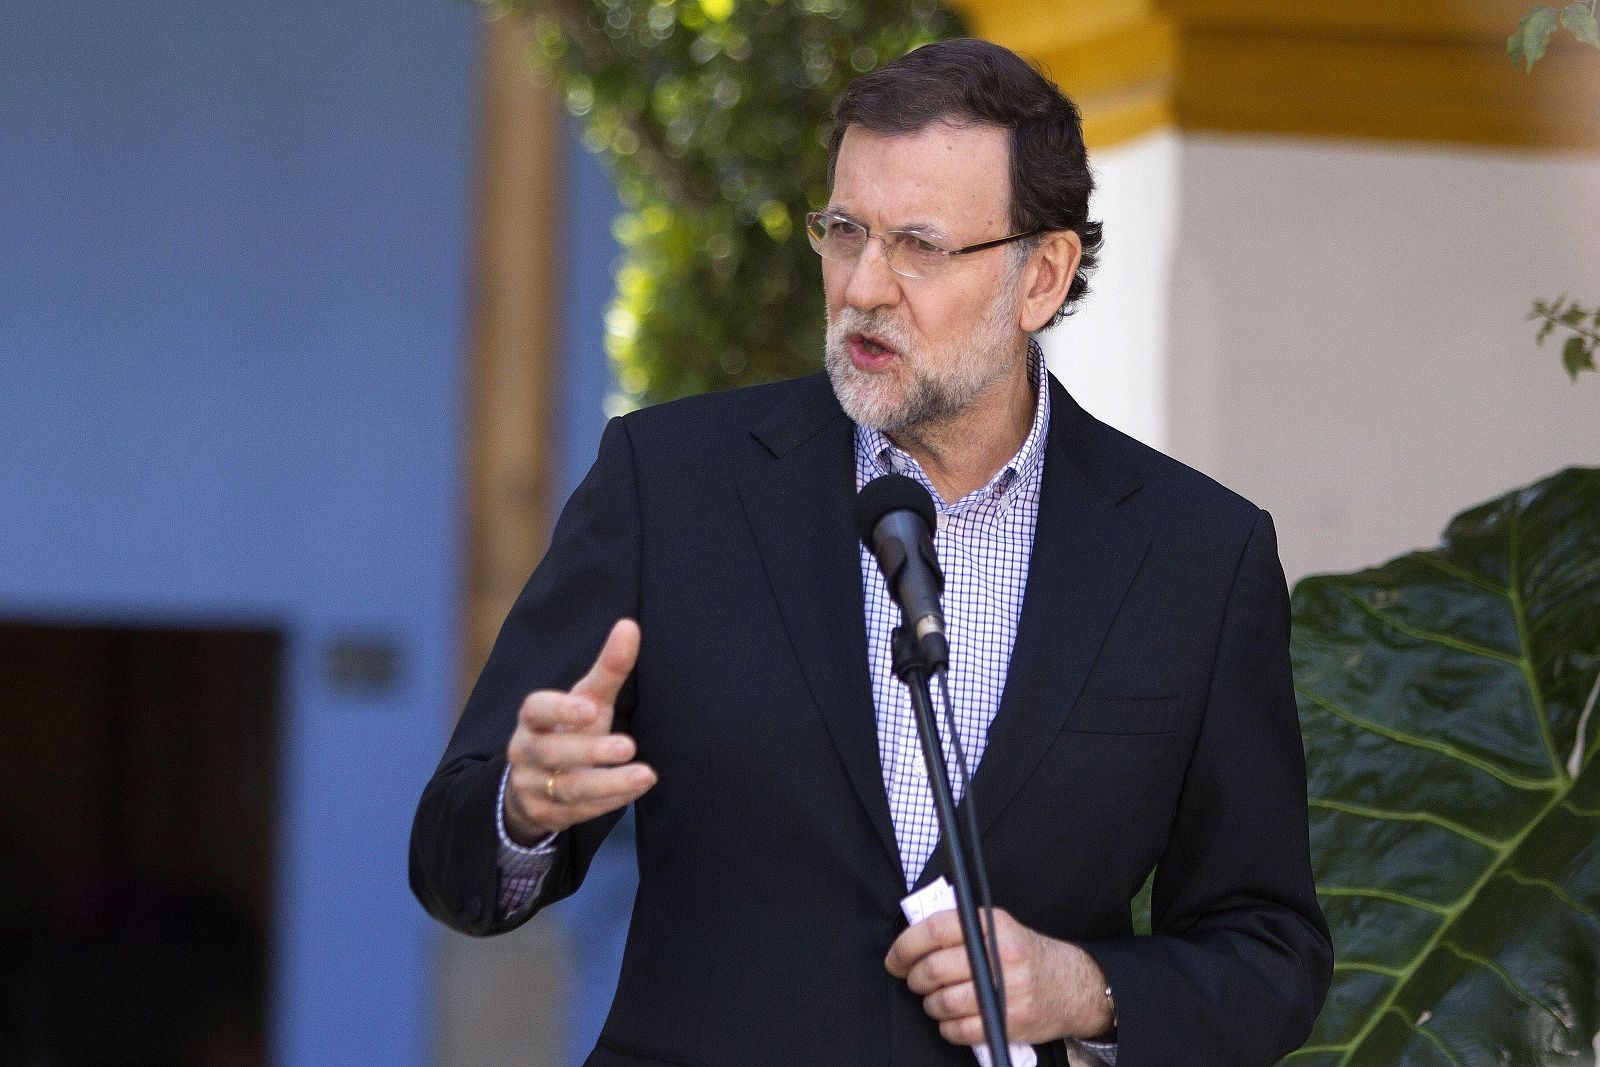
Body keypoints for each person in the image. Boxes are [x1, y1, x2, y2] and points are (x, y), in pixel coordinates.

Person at [410, 38, 1331, 1067]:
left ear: (1043, 276)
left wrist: (1083, 985)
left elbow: (1269, 952)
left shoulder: (1194, 554)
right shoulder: (671, 483)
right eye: (844, 231)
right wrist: (521, 807)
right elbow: (455, 861)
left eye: (919, 246)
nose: (863, 285)